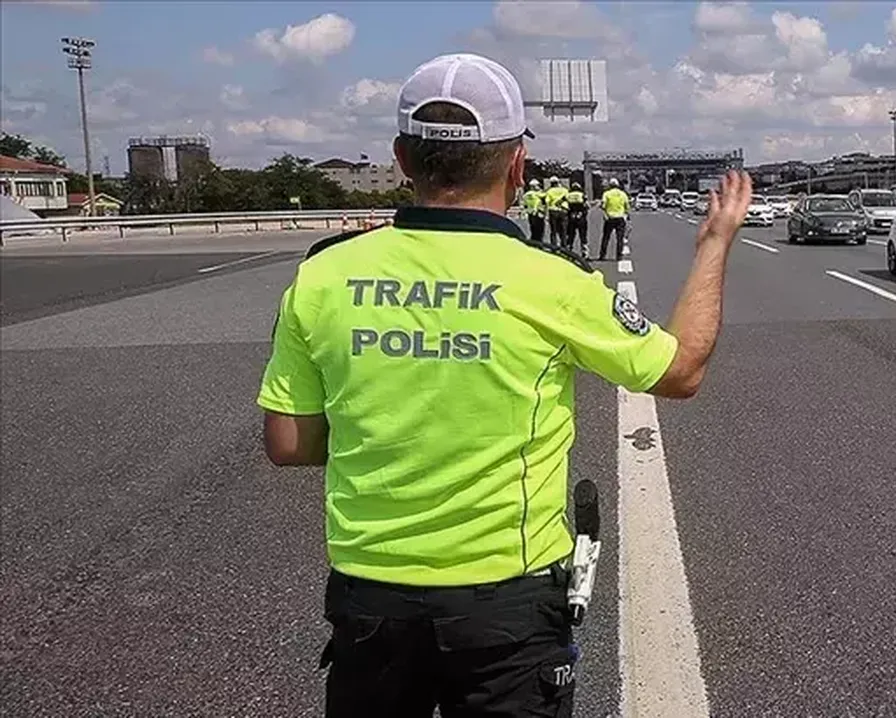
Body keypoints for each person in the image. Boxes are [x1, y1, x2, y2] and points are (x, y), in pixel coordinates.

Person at [255, 51, 752, 718]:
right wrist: (715, 243)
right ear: (518, 164)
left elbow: (288, 441)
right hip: (506, 608)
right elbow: (681, 369)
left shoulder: (322, 276)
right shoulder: (552, 283)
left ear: (403, 158)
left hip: (370, 603)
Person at [598, 178, 630, 261]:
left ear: (610, 185)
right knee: (620, 238)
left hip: (609, 218)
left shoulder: (606, 194)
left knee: (606, 237)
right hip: (620, 218)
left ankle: (602, 255)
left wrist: (604, 211)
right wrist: (627, 215)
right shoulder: (623, 194)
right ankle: (619, 256)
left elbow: (603, 205)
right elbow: (627, 206)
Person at [564, 181, 589, 254]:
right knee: (583, 235)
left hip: (571, 216)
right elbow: (587, 205)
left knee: (571, 235)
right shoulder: (582, 194)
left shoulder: (568, 195)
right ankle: (585, 252)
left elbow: (562, 204)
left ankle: (569, 250)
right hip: (581, 216)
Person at [544, 176, 569, 246]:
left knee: (553, 231)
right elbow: (568, 199)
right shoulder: (564, 190)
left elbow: (547, 202)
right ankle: (564, 246)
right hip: (563, 211)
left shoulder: (549, 191)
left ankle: (554, 246)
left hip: (553, 211)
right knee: (563, 230)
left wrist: (546, 215)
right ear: (558, 182)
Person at [522, 177, 546, 243]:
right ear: (534, 186)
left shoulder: (526, 194)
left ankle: (533, 243)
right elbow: (545, 195)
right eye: (538, 185)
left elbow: (524, 204)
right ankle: (539, 244)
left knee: (533, 230)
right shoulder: (537, 193)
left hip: (530, 213)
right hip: (538, 214)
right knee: (540, 231)